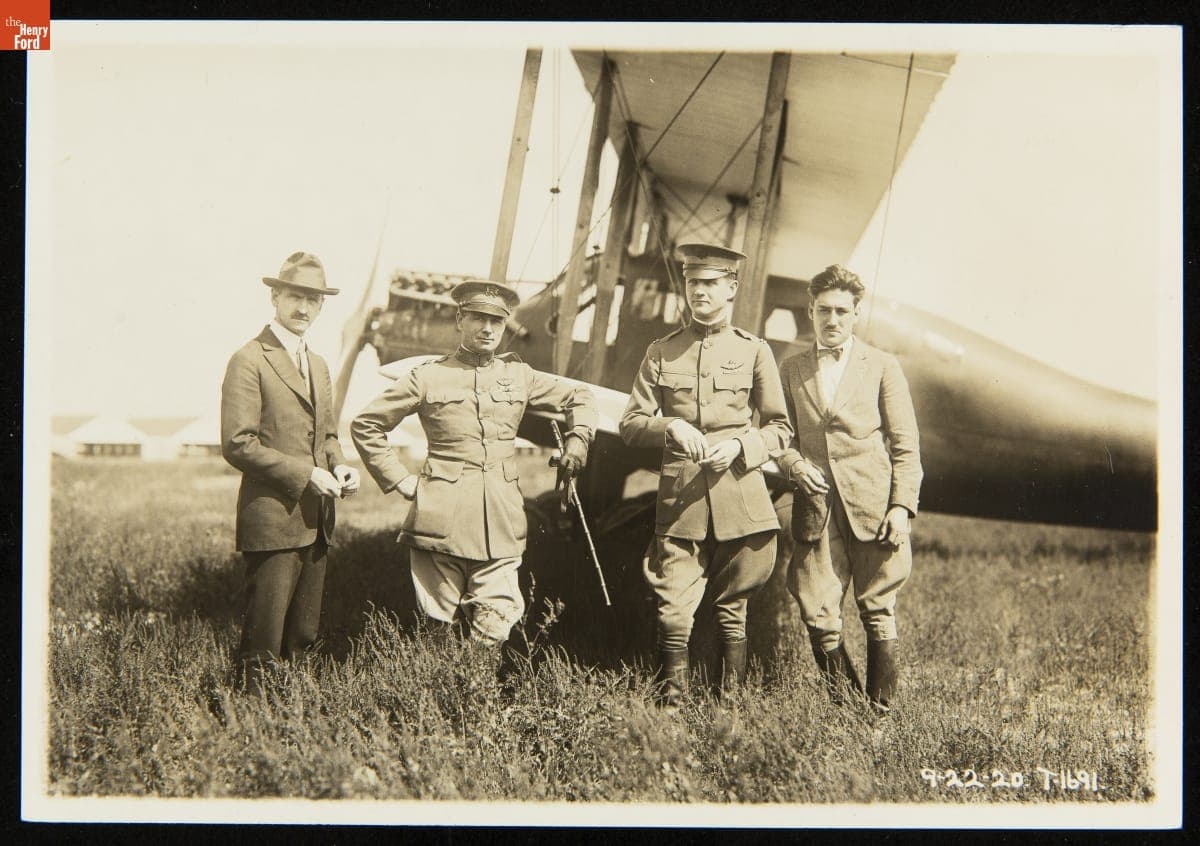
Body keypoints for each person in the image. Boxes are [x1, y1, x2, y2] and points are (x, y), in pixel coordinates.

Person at [351, 279, 597, 649]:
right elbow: (366, 425)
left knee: (495, 624)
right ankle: (435, 683)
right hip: (439, 521)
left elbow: (580, 394)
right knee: (437, 627)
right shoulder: (427, 376)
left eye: (496, 321)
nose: (487, 328)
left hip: (501, 520)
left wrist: (578, 438)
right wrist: (400, 480)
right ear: (459, 320)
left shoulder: (519, 375)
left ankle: (475, 680)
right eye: (478, 318)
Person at [620, 243, 792, 705]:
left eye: (710, 283)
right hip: (682, 503)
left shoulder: (754, 351)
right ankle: (671, 711)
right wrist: (670, 426)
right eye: (693, 282)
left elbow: (780, 429)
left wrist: (740, 445)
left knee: (733, 611)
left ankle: (726, 710)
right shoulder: (661, 351)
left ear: (731, 288)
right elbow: (631, 424)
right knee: (673, 612)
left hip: (741, 499)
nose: (699, 291)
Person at [776, 264, 922, 712]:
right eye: (824, 310)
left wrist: (901, 507)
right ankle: (847, 711)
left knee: (878, 606)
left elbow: (905, 444)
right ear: (810, 311)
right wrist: (795, 464)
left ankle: (879, 714)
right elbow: (780, 436)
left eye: (842, 311)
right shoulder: (791, 368)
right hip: (815, 507)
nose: (832, 320)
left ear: (857, 313)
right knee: (816, 609)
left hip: (873, 505)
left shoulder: (882, 366)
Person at [221, 251, 360, 694]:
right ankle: (249, 724)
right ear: (275, 297)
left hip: (317, 522)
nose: (303, 308)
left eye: (313, 300)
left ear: (322, 306)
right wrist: (307, 475)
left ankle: (292, 722)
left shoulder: (318, 365)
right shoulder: (249, 359)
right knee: (263, 643)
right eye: (295, 297)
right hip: (273, 522)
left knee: (303, 637)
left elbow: (328, 435)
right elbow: (238, 443)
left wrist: (340, 465)